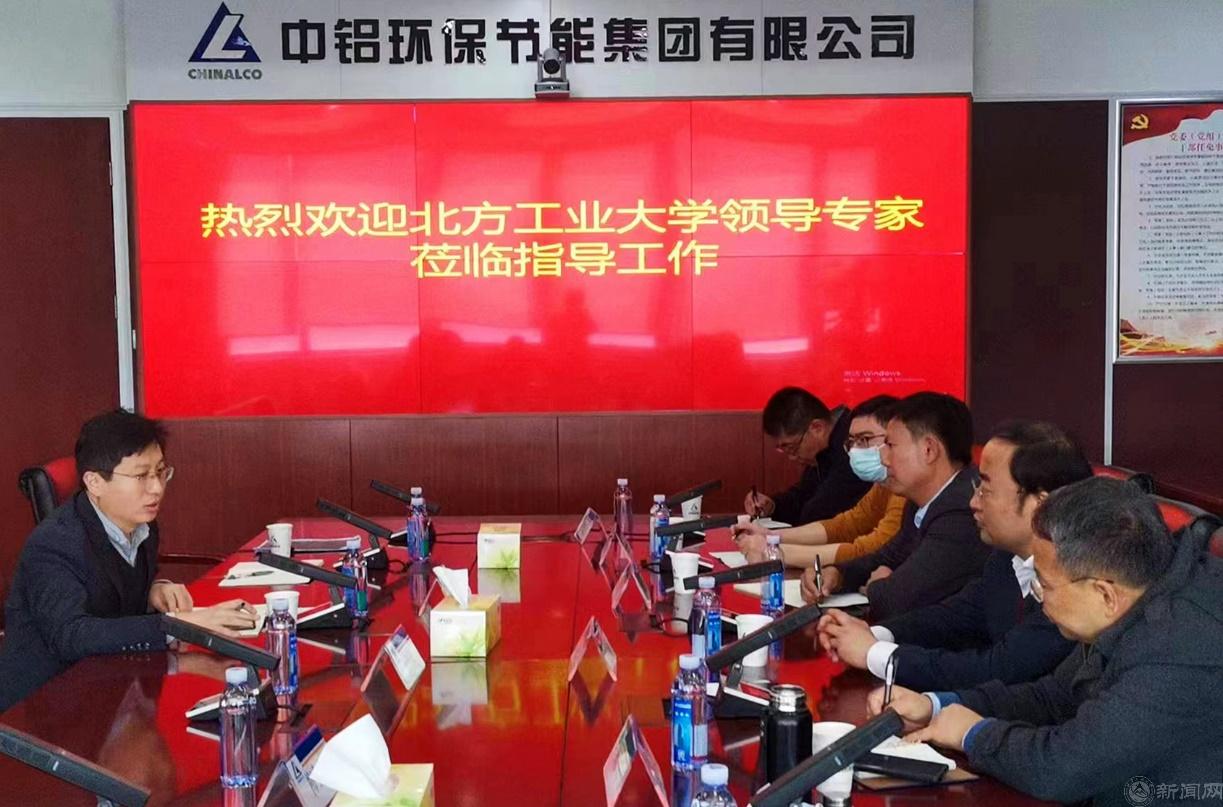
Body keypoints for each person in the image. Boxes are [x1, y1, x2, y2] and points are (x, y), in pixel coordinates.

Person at [870, 477, 1223, 807]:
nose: (1039, 598)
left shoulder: (1179, 647)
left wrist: (973, 734)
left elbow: (1064, 767)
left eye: (1045, 585)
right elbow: (1053, 696)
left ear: (1105, 594)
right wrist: (938, 706)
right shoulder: (1137, 597)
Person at [0, 410, 257, 712]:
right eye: (141, 476)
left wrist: (152, 591)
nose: (156, 488)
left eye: (161, 472)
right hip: (47, 708)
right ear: (95, 482)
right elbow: (72, 636)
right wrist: (177, 625)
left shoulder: (140, 525)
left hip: (114, 689)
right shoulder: (53, 545)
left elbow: (108, 593)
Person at [817, 421, 1088, 690]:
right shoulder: (1005, 559)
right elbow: (954, 617)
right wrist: (874, 635)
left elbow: (999, 669)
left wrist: (875, 654)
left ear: (1040, 505)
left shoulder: (1077, 582)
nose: (973, 502)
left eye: (986, 490)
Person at [802, 392, 989, 620]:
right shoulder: (919, 501)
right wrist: (837, 574)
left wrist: (878, 586)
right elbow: (888, 557)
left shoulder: (962, 510)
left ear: (929, 450)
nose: (883, 458)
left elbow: (896, 599)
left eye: (890, 445)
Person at [733, 395, 906, 569]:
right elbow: (846, 525)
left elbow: (871, 550)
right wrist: (770, 536)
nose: (855, 452)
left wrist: (775, 552)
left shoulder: (906, 488)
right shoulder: (885, 482)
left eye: (864, 440)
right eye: (852, 443)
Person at [743, 387, 871, 525]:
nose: (792, 457)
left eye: (792, 448)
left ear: (817, 428)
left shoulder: (853, 449)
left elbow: (818, 515)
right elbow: (804, 495)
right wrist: (773, 506)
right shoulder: (824, 449)